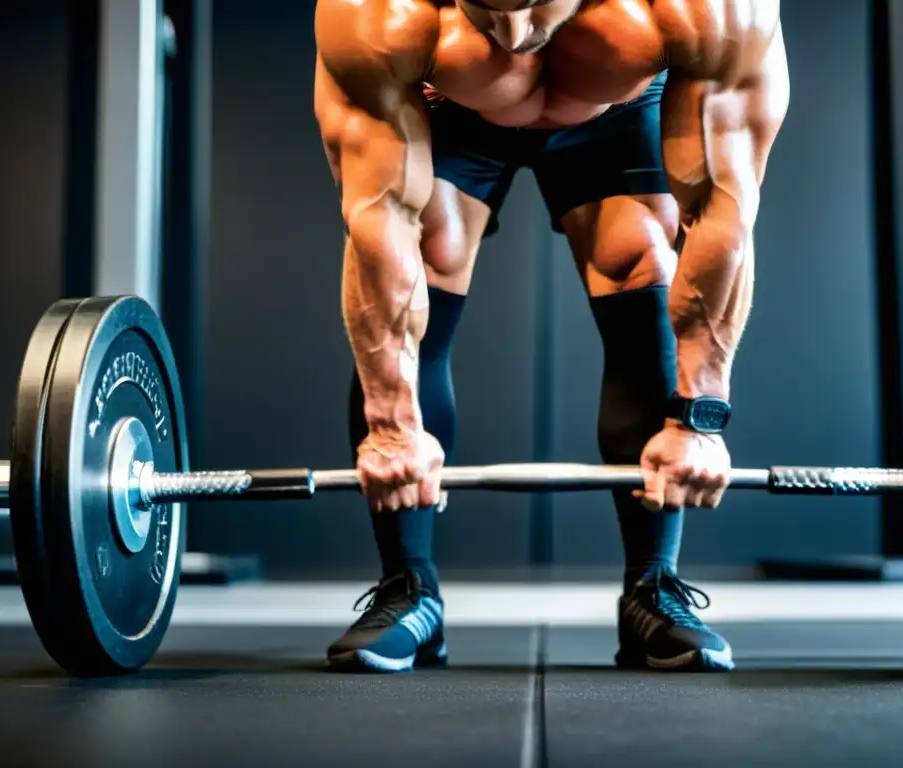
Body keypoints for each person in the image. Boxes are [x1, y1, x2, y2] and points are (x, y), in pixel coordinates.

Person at [313, 0, 789, 673]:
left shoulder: (700, 10)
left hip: (623, 110)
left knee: (644, 252)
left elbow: (722, 210)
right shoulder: (380, 14)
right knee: (423, 251)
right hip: (447, 107)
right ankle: (408, 588)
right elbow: (377, 223)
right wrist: (390, 428)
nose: (511, 36)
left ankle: (653, 588)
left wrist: (698, 417)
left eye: (536, 4)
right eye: (485, 8)